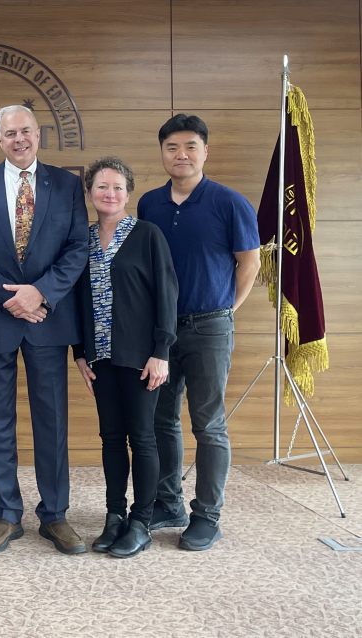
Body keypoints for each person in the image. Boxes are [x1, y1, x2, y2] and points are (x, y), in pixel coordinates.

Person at [0, 105, 89, 555]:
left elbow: (77, 247)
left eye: (25, 131)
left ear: (39, 133)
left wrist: (40, 294)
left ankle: (55, 515)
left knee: (52, 420)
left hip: (48, 319)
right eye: (10, 133)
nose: (19, 140)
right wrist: (12, 298)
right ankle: (5, 514)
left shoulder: (67, 185)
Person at [138, 114, 260, 551]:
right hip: (162, 332)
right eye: (172, 147)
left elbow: (250, 263)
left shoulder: (229, 202)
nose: (181, 155)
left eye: (191, 146)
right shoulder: (149, 204)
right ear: (163, 153)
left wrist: (226, 310)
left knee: (208, 425)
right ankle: (167, 503)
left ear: (205, 151)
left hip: (209, 328)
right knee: (161, 420)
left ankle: (207, 515)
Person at [72, 157, 178, 558]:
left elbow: (167, 296)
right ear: (90, 193)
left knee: (143, 438)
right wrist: (80, 353)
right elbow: (76, 301)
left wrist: (161, 352)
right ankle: (114, 516)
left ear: (128, 193)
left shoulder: (148, 235)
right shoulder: (81, 239)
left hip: (141, 358)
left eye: (117, 187)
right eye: (102, 187)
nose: (110, 194)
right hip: (99, 357)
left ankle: (141, 522)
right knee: (111, 438)